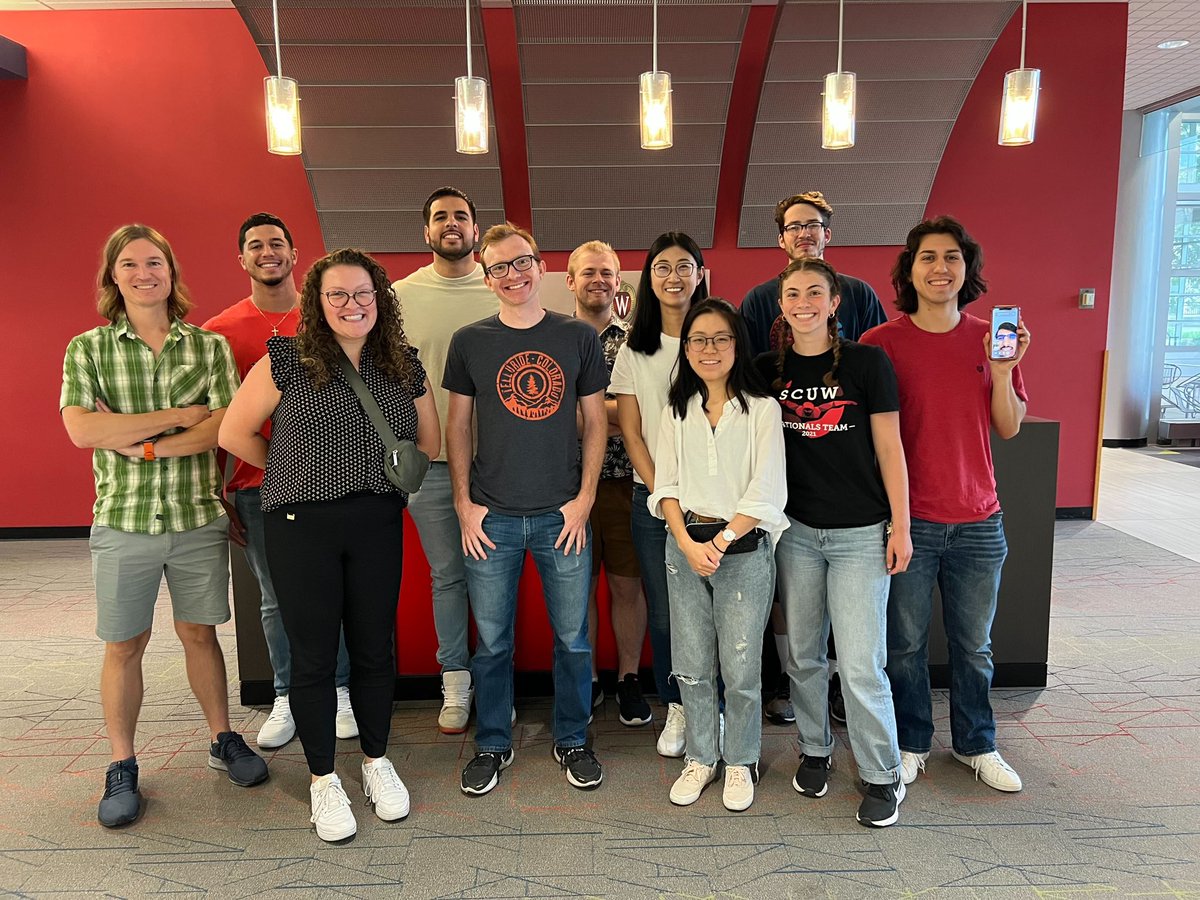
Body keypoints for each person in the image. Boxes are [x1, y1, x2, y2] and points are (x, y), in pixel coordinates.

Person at [219, 248, 439, 842]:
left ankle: (375, 760)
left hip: (376, 520)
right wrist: (292, 470)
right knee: (314, 657)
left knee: (373, 650)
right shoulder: (286, 359)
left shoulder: (402, 362)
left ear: (380, 299)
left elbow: (430, 442)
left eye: (363, 293)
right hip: (300, 524)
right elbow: (234, 432)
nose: (352, 304)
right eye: (337, 294)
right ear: (317, 303)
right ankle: (322, 779)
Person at [60, 224, 268, 829]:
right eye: (129, 264)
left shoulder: (207, 348)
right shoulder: (87, 349)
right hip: (122, 520)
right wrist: (178, 416)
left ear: (171, 272)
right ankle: (122, 763)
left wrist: (141, 441)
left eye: (154, 262)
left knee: (200, 634)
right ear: (113, 276)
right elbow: (83, 430)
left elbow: (225, 428)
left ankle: (222, 737)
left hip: (195, 516)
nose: (143, 273)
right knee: (124, 644)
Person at [860, 215, 1031, 794]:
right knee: (905, 647)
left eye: (952, 257)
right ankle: (911, 742)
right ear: (910, 270)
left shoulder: (991, 339)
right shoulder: (880, 344)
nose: (940, 268)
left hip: (979, 519)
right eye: (928, 257)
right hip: (909, 522)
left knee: (974, 648)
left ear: (967, 268)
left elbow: (1008, 426)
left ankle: (976, 743)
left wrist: (1003, 373)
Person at [445, 222, 608, 796]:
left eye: (521, 263)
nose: (512, 275)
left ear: (540, 267)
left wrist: (584, 501)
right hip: (490, 518)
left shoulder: (577, 337)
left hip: (563, 516)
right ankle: (493, 742)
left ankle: (573, 738)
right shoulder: (470, 341)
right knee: (492, 643)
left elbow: (597, 423)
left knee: (573, 640)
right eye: (499, 268)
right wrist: (463, 504)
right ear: (487, 278)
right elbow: (457, 425)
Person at [756, 257, 912, 828]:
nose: (804, 303)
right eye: (793, 293)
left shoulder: (868, 363)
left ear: (834, 301)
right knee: (802, 655)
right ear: (781, 305)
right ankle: (815, 750)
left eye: (814, 292)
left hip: (861, 533)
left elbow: (890, 449)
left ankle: (882, 773)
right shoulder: (764, 370)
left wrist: (902, 525)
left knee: (862, 662)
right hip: (794, 533)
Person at [203, 212, 358, 750]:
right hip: (255, 487)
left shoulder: (324, 319)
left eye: (276, 243)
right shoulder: (220, 332)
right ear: (241, 259)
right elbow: (220, 422)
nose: (266, 252)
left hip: (327, 485)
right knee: (275, 599)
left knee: (331, 594)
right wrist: (218, 492)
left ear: (294, 255)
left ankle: (338, 689)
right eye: (255, 245)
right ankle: (288, 695)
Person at [740, 191, 889, 727]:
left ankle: (845, 691)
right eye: (794, 226)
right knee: (794, 612)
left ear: (828, 233)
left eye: (813, 225)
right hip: (790, 496)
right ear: (780, 237)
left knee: (856, 631)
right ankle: (793, 689)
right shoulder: (759, 301)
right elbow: (747, 380)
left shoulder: (861, 296)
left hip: (854, 497)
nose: (804, 233)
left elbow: (879, 380)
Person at [649, 298, 787, 812]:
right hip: (684, 546)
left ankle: (741, 760)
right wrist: (687, 543)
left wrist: (721, 541)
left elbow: (766, 490)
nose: (709, 349)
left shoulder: (762, 409)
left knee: (741, 664)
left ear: (737, 345)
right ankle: (702, 757)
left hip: (743, 550)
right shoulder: (677, 410)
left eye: (720, 338)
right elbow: (665, 485)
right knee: (691, 662)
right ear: (686, 349)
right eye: (698, 340)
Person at [392, 187, 500, 734]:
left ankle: (496, 683)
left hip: (499, 463)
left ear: (476, 230)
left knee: (496, 577)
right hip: (431, 464)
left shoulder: (500, 287)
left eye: (461, 215)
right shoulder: (398, 296)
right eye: (440, 217)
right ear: (426, 231)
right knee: (447, 577)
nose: (451, 223)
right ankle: (455, 680)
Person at [611, 232, 709, 757]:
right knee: (668, 612)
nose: (674, 276)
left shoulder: (716, 338)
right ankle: (677, 705)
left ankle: (712, 707)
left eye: (684, 266)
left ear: (700, 274)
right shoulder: (634, 350)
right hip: (652, 503)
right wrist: (664, 494)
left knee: (715, 612)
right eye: (662, 267)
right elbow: (631, 433)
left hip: (715, 504)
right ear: (649, 279)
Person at [566, 240, 653, 727]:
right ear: (570, 281)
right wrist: (613, 415)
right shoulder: (553, 339)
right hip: (565, 486)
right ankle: (588, 679)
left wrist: (586, 415)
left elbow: (643, 415)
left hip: (624, 482)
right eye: (588, 272)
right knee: (577, 590)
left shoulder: (636, 343)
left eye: (607, 273)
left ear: (619, 283)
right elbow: (550, 414)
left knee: (626, 585)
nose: (598, 280)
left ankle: (628, 678)